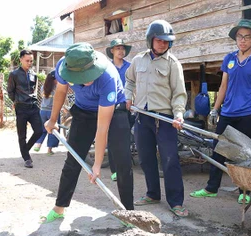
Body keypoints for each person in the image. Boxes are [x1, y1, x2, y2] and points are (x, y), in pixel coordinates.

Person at [41, 42, 134, 223]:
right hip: (84, 111)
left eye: (89, 74)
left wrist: (97, 164)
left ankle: (128, 213)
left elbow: (102, 128)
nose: (88, 79)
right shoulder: (63, 66)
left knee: (123, 161)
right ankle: (59, 208)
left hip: (114, 112)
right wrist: (53, 119)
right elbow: (60, 91)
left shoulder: (107, 76)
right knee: (73, 159)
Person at [190, 19, 251, 204]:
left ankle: (245, 191)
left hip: (248, 114)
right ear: (236, 38)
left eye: (247, 37)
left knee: (246, 153)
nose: (243, 40)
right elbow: (223, 85)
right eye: (239, 36)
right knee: (218, 150)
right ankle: (211, 188)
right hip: (227, 113)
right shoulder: (229, 59)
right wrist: (215, 109)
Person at [125, 20, 189, 217]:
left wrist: (178, 114)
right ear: (150, 40)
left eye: (166, 41)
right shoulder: (138, 60)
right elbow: (129, 81)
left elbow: (179, 93)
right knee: (145, 158)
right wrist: (128, 97)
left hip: (165, 120)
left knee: (170, 160)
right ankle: (152, 194)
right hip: (143, 117)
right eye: (159, 40)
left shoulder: (173, 64)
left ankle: (176, 202)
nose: (162, 44)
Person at [7, 49, 43, 168]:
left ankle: (25, 149)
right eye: (27, 60)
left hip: (33, 107)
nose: (29, 63)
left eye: (31, 61)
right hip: (21, 108)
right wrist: (16, 101)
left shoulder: (34, 75)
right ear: (21, 59)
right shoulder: (14, 75)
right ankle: (26, 158)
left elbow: (34, 90)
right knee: (22, 135)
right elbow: (10, 91)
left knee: (39, 131)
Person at [106, 38, 133, 181]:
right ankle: (114, 170)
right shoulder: (107, 67)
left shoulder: (130, 66)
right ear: (112, 51)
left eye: (122, 48)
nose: (121, 51)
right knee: (112, 139)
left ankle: (125, 167)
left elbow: (135, 84)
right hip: (110, 106)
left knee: (126, 138)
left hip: (127, 106)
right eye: (118, 48)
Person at [33, 70, 60, 155]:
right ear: (54, 79)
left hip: (43, 111)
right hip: (52, 112)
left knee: (42, 129)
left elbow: (43, 97)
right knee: (52, 129)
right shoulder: (57, 88)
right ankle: (49, 150)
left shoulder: (43, 88)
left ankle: (37, 145)